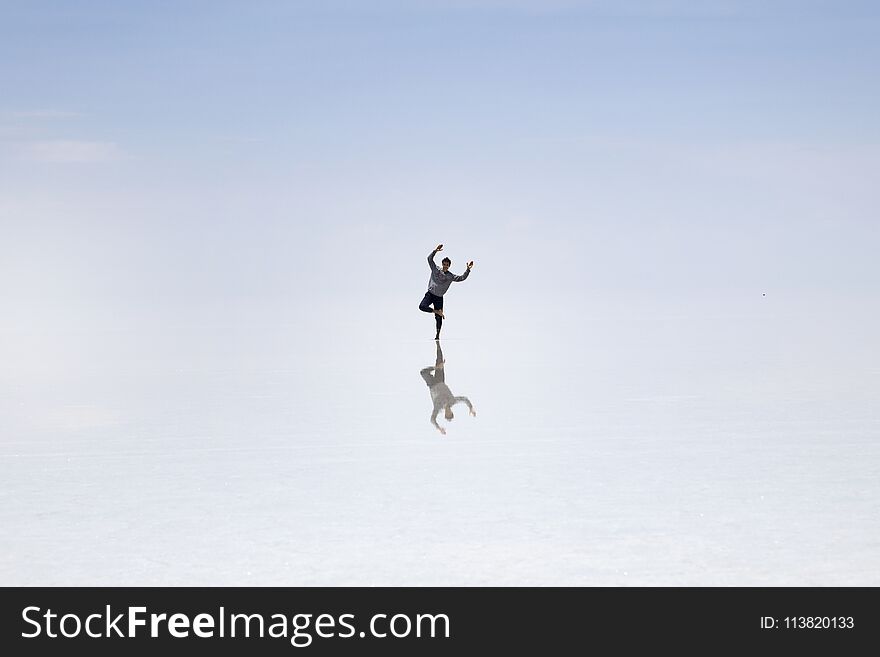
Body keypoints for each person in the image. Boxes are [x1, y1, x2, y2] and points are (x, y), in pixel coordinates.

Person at [418, 243, 474, 340]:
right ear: (442, 264)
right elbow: (429, 259)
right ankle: (437, 311)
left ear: (449, 266)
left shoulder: (450, 276)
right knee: (422, 306)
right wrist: (435, 251)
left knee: (438, 318)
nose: (445, 266)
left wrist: (468, 270)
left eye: (447, 265)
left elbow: (461, 278)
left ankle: (437, 334)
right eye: (444, 264)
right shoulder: (435, 269)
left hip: (439, 298)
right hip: (430, 294)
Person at [420, 341, 475, 435]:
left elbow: (432, 419)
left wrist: (438, 428)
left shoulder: (438, 407)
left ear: (445, 414)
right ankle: (438, 343)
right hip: (440, 380)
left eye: (447, 415)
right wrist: (470, 408)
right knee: (440, 360)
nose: (448, 413)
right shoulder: (453, 401)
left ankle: (435, 367)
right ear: (452, 412)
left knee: (423, 373)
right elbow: (464, 399)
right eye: (450, 414)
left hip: (432, 384)